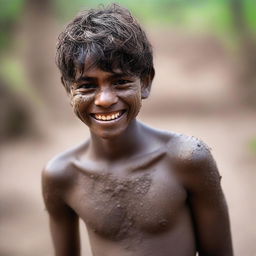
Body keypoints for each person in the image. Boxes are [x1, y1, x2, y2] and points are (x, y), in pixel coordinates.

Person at [42, 4, 233, 256]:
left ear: (145, 82)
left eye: (120, 82)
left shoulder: (187, 159)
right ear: (69, 91)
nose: (105, 99)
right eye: (87, 86)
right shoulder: (61, 176)